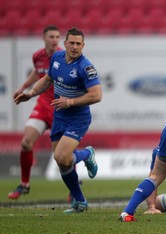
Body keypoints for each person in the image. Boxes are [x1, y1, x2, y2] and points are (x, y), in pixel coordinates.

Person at [14, 27, 102, 213]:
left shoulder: (85, 67)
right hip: (59, 115)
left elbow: (96, 96)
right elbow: (47, 80)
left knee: (61, 156)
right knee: (63, 162)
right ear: (65, 43)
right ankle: (80, 201)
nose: (75, 47)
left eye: (79, 43)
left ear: (83, 45)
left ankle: (87, 154)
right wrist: (30, 93)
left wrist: (69, 101)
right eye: (72, 43)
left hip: (77, 117)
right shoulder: (57, 59)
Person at [8, 25, 62, 200]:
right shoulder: (37, 56)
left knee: (62, 154)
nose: (55, 40)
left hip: (59, 108)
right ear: (44, 38)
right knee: (25, 143)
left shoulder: (62, 56)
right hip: (42, 105)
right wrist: (23, 86)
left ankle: (74, 190)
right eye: (51, 36)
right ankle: (24, 184)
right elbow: (38, 73)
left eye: (57, 37)